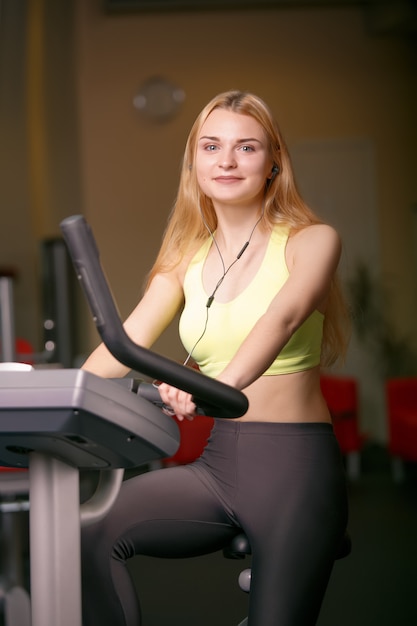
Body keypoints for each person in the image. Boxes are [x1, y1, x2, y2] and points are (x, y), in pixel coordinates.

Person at [81, 90, 350, 626]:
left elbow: (283, 318)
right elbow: (122, 344)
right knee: (88, 533)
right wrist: (58, 395)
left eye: (245, 147)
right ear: (195, 161)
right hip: (219, 466)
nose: (226, 161)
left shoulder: (312, 240)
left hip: (295, 469)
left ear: (274, 161)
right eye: (211, 146)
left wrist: (214, 386)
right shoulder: (184, 259)